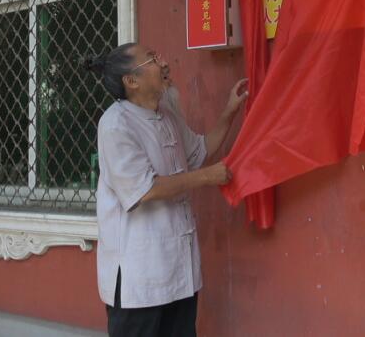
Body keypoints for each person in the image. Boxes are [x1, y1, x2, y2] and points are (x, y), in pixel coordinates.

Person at [85, 42, 247, 337]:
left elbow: (199, 151)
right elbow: (144, 190)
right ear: (131, 81)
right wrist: (206, 178)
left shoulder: (167, 112)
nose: (161, 61)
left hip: (178, 270)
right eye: (151, 59)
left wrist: (230, 111)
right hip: (140, 280)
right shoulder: (115, 125)